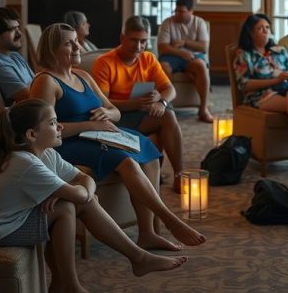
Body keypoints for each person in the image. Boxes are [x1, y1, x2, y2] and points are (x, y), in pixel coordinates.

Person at [28, 23, 205, 250]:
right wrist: (89, 124)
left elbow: (115, 112)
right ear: (52, 49)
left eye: (76, 41)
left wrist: (106, 114)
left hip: (99, 134)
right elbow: (44, 130)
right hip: (69, 143)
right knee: (127, 160)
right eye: (68, 43)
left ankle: (147, 233)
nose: (77, 47)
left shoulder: (82, 76)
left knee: (149, 152)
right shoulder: (46, 81)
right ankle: (171, 221)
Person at [0, 100, 185, 293]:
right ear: (32, 134)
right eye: (52, 123)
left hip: (18, 217)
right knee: (66, 206)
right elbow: (78, 191)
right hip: (1, 230)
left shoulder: (47, 154)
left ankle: (67, 282)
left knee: (72, 202)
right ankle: (74, 282)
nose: (60, 127)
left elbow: (83, 178)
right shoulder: (25, 163)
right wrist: (81, 193)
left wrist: (82, 192)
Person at [93, 16, 186, 193]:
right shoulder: (105, 62)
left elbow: (170, 89)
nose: (139, 47)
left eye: (143, 41)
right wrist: (135, 104)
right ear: (122, 38)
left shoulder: (148, 59)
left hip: (141, 114)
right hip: (116, 118)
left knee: (166, 113)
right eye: (134, 40)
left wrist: (162, 101)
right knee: (166, 117)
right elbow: (103, 103)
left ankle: (178, 175)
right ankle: (174, 175)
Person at [233, 13, 288, 155]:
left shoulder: (280, 51)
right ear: (250, 33)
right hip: (260, 96)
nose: (265, 31)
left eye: (267, 27)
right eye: (260, 28)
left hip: (286, 89)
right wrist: (276, 80)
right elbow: (244, 85)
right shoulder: (244, 55)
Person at [156, 0, 213, 123]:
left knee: (201, 66)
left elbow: (203, 47)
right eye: (176, 11)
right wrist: (181, 53)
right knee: (164, 68)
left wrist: (184, 43)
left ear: (191, 11)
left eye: (181, 11)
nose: (177, 14)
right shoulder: (167, 22)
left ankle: (203, 109)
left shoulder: (199, 23)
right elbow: (162, 47)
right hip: (171, 57)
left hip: (194, 57)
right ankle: (166, 107)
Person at [0, 7, 34, 106]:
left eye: (18, 27)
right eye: (12, 30)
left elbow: (36, 82)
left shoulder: (13, 55)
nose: (19, 33)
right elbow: (31, 98)